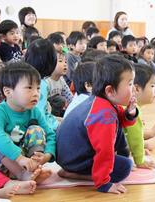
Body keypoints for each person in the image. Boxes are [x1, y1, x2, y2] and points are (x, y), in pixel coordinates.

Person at [56, 54, 138, 194]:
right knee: (125, 167)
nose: (134, 88)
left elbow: (123, 121)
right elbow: (104, 151)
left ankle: (89, 170)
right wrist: (104, 183)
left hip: (74, 153)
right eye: (130, 84)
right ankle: (75, 174)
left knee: (117, 131)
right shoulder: (103, 115)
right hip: (74, 160)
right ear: (110, 91)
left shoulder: (102, 101)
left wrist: (130, 112)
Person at [0, 61, 55, 184]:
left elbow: (50, 134)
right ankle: (21, 173)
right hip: (2, 162)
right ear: (8, 92)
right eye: (29, 88)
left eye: (38, 88)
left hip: (25, 160)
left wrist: (46, 156)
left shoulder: (34, 111)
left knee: (36, 129)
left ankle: (34, 169)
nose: (36, 93)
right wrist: (19, 158)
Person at [124, 63, 155, 167]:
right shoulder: (132, 109)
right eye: (152, 85)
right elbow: (134, 137)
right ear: (137, 89)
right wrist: (140, 160)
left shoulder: (125, 104)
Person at [24, 38, 60, 130]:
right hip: (41, 130)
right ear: (51, 62)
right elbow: (39, 116)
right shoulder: (40, 84)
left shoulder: (24, 77)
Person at [45, 52, 73, 117]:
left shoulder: (61, 79)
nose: (65, 64)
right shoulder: (46, 81)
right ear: (50, 64)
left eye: (66, 62)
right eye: (60, 61)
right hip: (47, 110)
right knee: (60, 100)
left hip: (58, 109)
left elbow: (69, 96)